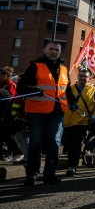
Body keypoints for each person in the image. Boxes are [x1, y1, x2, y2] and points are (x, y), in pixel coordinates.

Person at [17, 41, 77, 186]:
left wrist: (73, 101)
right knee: (36, 143)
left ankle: (50, 174)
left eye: (57, 50)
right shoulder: (35, 66)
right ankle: (32, 174)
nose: (54, 52)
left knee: (54, 143)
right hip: (37, 111)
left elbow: (66, 89)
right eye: (51, 49)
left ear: (60, 52)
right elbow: (21, 87)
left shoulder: (63, 68)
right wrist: (35, 90)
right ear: (44, 50)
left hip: (57, 112)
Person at [63, 69, 95, 177]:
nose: (82, 78)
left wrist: (94, 116)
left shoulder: (93, 90)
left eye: (85, 76)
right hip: (68, 120)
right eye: (81, 76)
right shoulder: (71, 89)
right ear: (77, 76)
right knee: (68, 144)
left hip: (82, 121)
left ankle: (72, 166)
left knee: (75, 143)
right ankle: (71, 164)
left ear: (89, 78)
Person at [0, 67, 22, 162]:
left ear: (5, 76)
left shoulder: (11, 85)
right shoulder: (2, 85)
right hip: (2, 113)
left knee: (7, 133)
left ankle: (13, 153)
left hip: (8, 113)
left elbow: (10, 98)